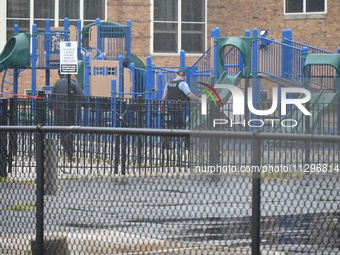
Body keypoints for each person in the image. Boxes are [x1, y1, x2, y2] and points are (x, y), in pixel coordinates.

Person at [50, 74, 89, 160]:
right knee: (69, 130)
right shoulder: (73, 83)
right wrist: (86, 106)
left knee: (62, 131)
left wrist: (51, 107)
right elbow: (80, 95)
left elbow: (52, 96)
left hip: (58, 110)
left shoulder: (58, 83)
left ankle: (66, 150)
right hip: (69, 110)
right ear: (71, 75)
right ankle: (70, 152)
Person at [161, 69, 201, 151]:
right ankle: (187, 144)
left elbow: (164, 95)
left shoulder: (169, 83)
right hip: (179, 107)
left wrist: (162, 105)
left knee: (171, 125)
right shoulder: (183, 83)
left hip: (170, 107)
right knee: (181, 126)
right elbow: (189, 94)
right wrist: (198, 99)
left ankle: (166, 143)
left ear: (176, 75)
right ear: (184, 77)